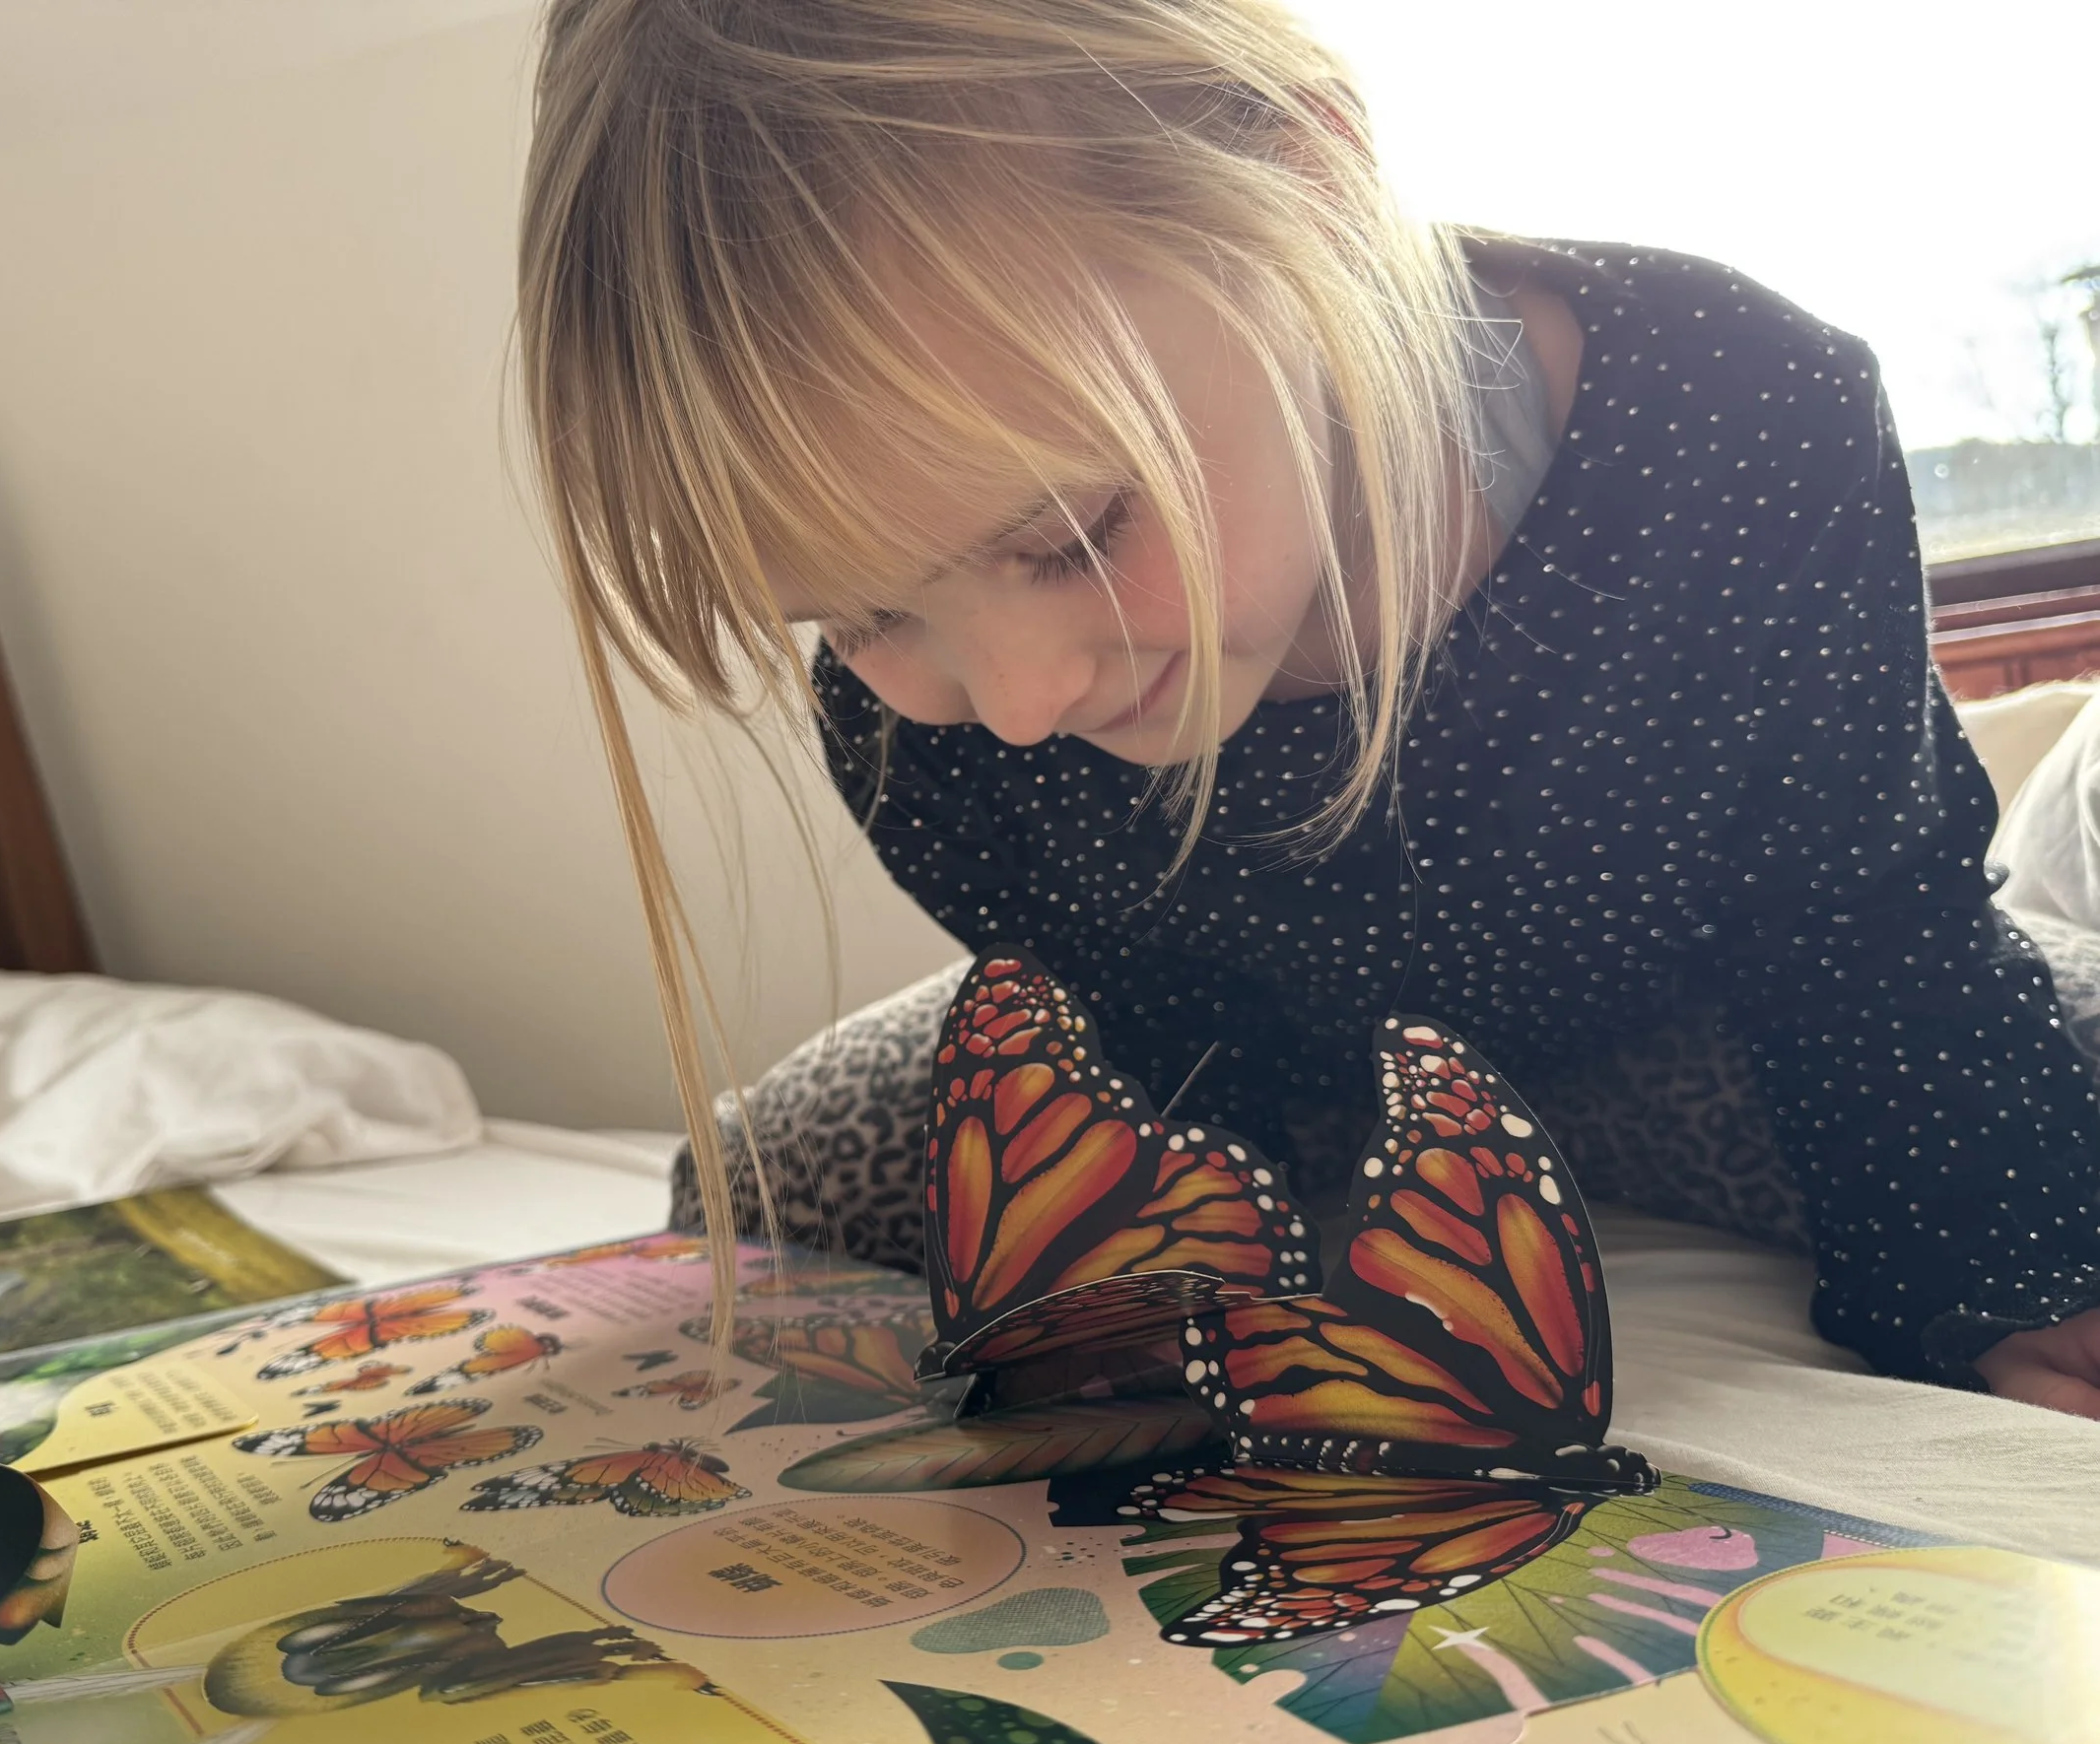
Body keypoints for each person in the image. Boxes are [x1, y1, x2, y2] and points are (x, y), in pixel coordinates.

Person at [514, 0, 2100, 1416]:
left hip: (1707, 1002)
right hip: (1255, 1048)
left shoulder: (1744, 413)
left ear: (1308, 185)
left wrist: (1999, 1290)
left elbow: (1873, 923)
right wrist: (1169, 1277)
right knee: (748, 1180)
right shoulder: (928, 729)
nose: (1016, 702)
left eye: (1072, 536)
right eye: (864, 615)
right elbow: (1119, 1016)